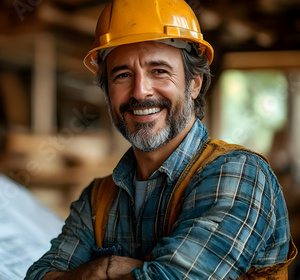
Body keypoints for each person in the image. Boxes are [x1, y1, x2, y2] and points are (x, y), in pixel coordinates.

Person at [25, 0, 297, 279]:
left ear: (194, 83)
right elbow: (39, 275)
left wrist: (102, 271)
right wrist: (103, 268)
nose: (140, 92)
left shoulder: (240, 174)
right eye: (122, 75)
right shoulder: (97, 200)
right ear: (108, 93)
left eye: (159, 71)